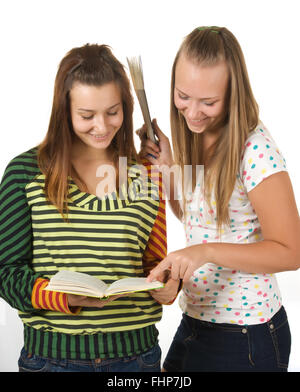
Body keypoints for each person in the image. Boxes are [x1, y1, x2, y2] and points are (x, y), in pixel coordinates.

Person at [0, 43, 180, 372]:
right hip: (51, 360)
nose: (102, 125)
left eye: (113, 112)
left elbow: (156, 264)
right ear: (65, 111)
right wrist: (61, 297)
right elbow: (6, 273)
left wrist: (169, 286)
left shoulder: (146, 176)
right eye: (87, 115)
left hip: (137, 359)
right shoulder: (25, 173)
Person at [139, 26, 300, 372]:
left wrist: (205, 252)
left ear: (233, 94)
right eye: (183, 96)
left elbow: (291, 251)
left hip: (246, 336)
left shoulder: (256, 151)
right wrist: (168, 169)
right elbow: (200, 218)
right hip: (196, 323)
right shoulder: (198, 133)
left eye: (209, 102)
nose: (193, 112)